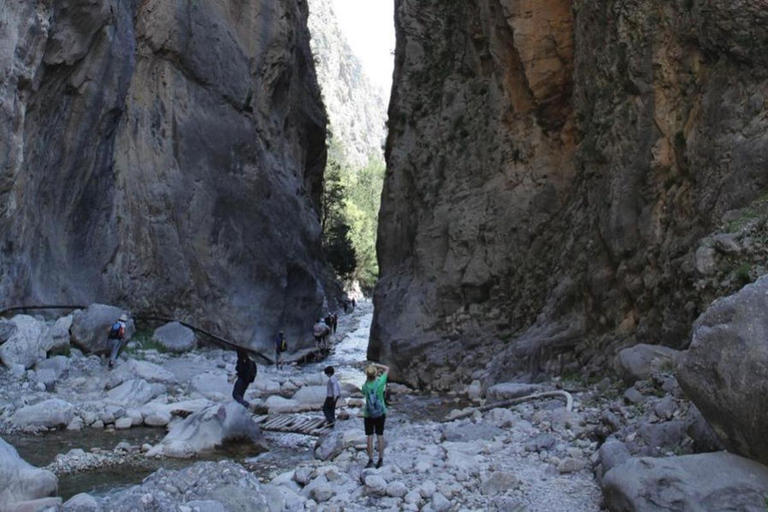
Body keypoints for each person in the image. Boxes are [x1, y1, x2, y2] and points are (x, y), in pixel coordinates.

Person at [362, 362, 389, 468]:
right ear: (376, 373)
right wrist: (377, 365)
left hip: (368, 413)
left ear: (367, 375)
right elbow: (387, 368)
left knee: (370, 437)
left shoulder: (365, 386)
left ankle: (370, 460)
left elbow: (364, 392)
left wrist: (368, 378)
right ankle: (380, 459)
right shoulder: (380, 382)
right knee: (380, 435)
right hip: (381, 412)